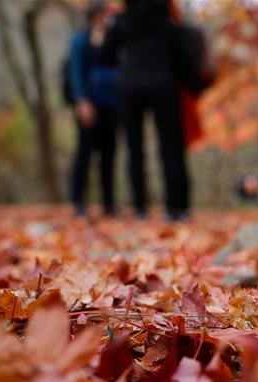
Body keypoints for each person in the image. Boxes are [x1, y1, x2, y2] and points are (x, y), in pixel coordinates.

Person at [102, 0, 192, 222]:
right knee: (172, 149)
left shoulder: (121, 21)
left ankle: (140, 207)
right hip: (164, 86)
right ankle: (176, 207)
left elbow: (106, 55)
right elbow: (182, 60)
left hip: (131, 87)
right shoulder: (168, 23)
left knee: (135, 150)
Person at [68, 1, 120, 217]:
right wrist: (82, 101)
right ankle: (78, 202)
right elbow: (76, 72)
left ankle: (108, 204)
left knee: (108, 155)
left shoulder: (113, 40)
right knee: (84, 154)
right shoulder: (80, 41)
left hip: (111, 104)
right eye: (100, 14)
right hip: (89, 104)